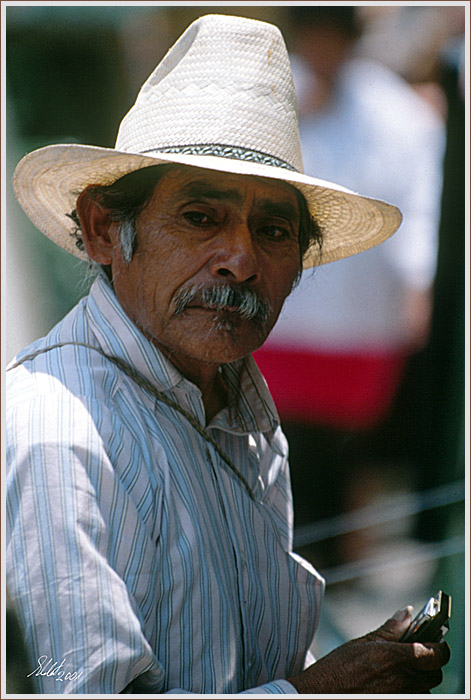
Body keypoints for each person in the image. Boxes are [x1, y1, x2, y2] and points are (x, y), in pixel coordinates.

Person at [6, 14, 449, 695]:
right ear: (102, 231)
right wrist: (321, 692)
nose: (241, 262)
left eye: (272, 231)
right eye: (199, 218)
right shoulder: (58, 435)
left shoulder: (239, 410)